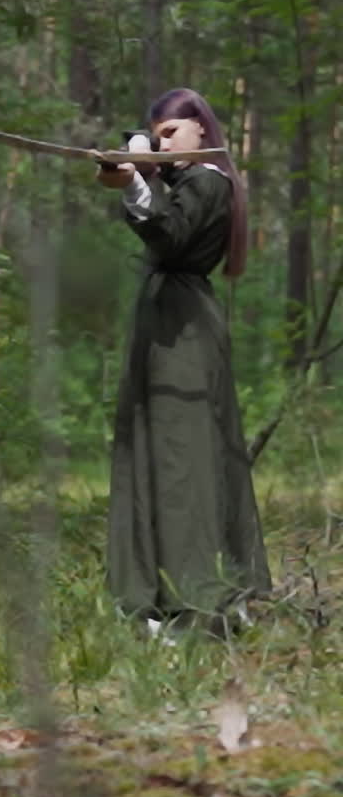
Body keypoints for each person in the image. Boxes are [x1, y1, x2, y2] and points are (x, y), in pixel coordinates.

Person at [99, 87, 271, 633]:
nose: (163, 142)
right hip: (167, 324)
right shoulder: (184, 181)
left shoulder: (207, 180)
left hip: (184, 333)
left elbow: (169, 238)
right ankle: (157, 597)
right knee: (159, 453)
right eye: (157, 136)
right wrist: (137, 173)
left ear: (202, 128)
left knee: (185, 461)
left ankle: (200, 605)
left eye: (171, 132)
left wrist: (134, 182)